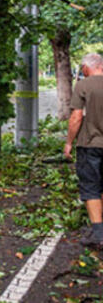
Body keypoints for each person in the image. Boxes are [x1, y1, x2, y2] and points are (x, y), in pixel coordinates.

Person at [64, 53, 103, 248]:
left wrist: (69, 143)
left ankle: (98, 234)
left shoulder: (83, 85)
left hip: (90, 146)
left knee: (91, 187)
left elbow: (76, 117)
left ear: (86, 69)